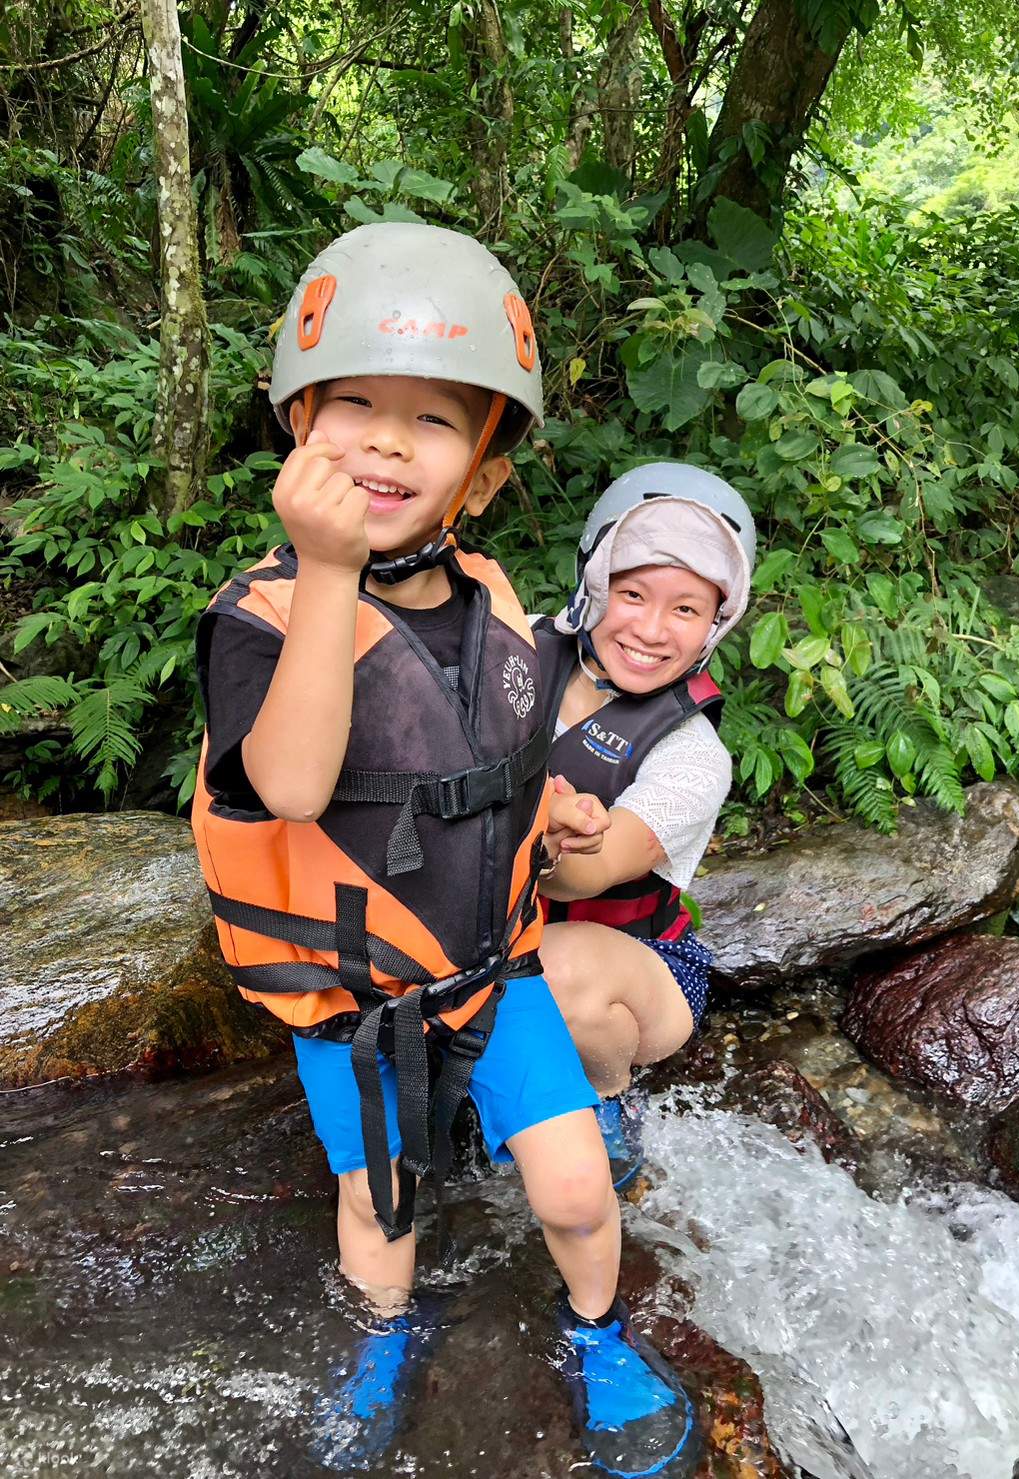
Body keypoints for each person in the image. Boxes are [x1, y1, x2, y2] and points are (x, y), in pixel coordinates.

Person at [190, 224, 699, 1478]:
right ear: (296, 428)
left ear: (477, 473)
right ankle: (382, 1333)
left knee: (576, 1188)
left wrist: (560, 816)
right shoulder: (263, 617)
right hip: (355, 1002)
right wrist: (326, 567)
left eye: (430, 421)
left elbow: (496, 768)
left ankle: (596, 1333)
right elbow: (296, 783)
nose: (380, 440)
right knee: (379, 1202)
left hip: (491, 974)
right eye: (350, 404)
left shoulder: (493, 599)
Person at [533, 464, 757, 1183]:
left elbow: (590, 868)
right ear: (594, 583)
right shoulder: (512, 652)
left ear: (713, 627)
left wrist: (536, 820)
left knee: (554, 968)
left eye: (686, 609)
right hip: (476, 930)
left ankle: (606, 1092)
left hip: (630, 967)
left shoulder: (693, 754)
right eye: (632, 593)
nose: (651, 630)